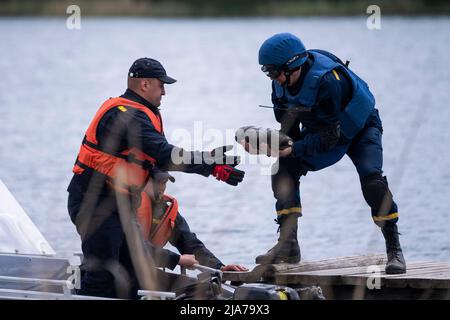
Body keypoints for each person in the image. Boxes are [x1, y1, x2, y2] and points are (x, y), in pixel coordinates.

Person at [67, 57, 245, 298]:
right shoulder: (124, 114)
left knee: (131, 277)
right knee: (104, 275)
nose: (164, 92)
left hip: (118, 203)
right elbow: (164, 154)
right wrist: (209, 164)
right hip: (95, 201)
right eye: (162, 86)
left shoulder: (142, 115)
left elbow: (159, 159)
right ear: (145, 85)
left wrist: (218, 267)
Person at [252, 33, 406, 274]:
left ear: (293, 66)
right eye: (268, 73)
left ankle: (394, 249)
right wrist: (270, 145)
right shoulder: (280, 85)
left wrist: (295, 148)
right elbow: (290, 132)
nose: (273, 79)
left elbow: (329, 138)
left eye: (274, 72)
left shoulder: (326, 81)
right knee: (282, 167)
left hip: (361, 128)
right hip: (325, 131)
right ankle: (288, 245)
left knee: (372, 180)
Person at [135, 169, 247, 291]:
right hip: (119, 272)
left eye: (165, 182)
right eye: (158, 182)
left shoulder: (166, 210)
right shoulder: (126, 206)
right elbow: (134, 248)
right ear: (142, 180)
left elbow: (191, 244)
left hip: (143, 272)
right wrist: (177, 259)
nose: (162, 187)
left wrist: (219, 268)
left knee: (206, 289)